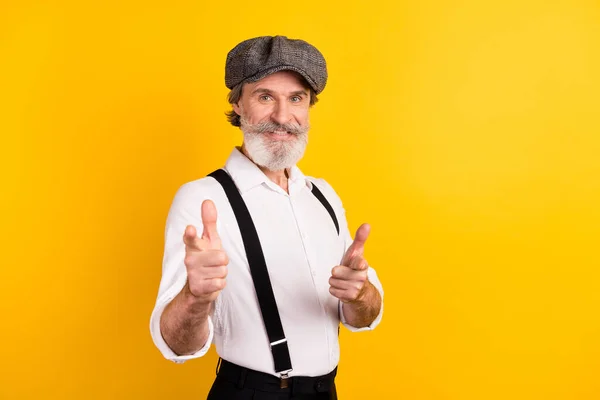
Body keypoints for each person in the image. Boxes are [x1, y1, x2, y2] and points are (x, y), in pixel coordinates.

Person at [150, 35, 384, 400]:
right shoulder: (202, 199)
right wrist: (195, 296)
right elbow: (176, 345)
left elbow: (362, 318)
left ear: (308, 107)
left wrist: (360, 295)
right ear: (238, 104)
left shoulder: (323, 196)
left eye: (296, 98)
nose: (282, 116)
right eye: (264, 96)